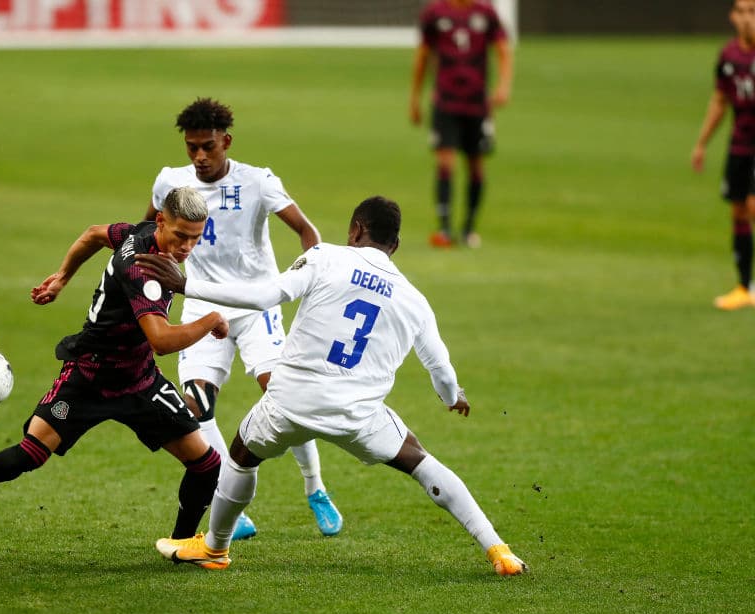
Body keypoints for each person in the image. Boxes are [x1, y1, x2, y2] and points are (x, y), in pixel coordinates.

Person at [138, 196, 528, 576]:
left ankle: (215, 548)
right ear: (395, 244)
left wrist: (187, 286)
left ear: (356, 229)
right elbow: (439, 366)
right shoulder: (415, 300)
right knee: (421, 462)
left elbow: (264, 295)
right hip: (358, 415)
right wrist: (452, 396)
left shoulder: (326, 257)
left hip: (289, 404)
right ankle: (499, 549)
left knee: (241, 455)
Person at [0, 187, 230, 543]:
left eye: (195, 237)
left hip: (139, 380)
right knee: (32, 452)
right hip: (90, 375)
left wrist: (64, 276)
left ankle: (181, 544)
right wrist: (211, 321)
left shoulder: (138, 233)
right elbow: (161, 341)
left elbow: (94, 234)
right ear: (161, 220)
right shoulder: (142, 271)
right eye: (180, 236)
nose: (188, 247)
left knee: (206, 465)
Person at [144, 97, 342, 540]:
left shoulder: (257, 182)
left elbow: (309, 233)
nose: (198, 156)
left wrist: (305, 283)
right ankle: (226, 495)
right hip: (201, 306)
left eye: (207, 147)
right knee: (195, 406)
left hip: (257, 307)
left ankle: (315, 488)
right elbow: (147, 233)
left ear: (226, 142)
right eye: (191, 147)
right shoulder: (171, 183)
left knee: (284, 396)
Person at [410, 0, 513, 248]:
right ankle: (445, 229)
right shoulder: (434, 13)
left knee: (476, 165)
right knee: (445, 162)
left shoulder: (485, 12)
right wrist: (415, 96)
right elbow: (423, 55)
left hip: (478, 103)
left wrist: (503, 85)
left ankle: (468, 229)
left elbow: (503, 49)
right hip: (445, 102)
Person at [691, 0, 755, 310]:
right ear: (732, 16)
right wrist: (702, 142)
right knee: (739, 211)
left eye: (753, 12)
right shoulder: (728, 56)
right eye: (741, 12)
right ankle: (744, 286)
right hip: (740, 145)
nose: (746, 19)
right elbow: (720, 101)